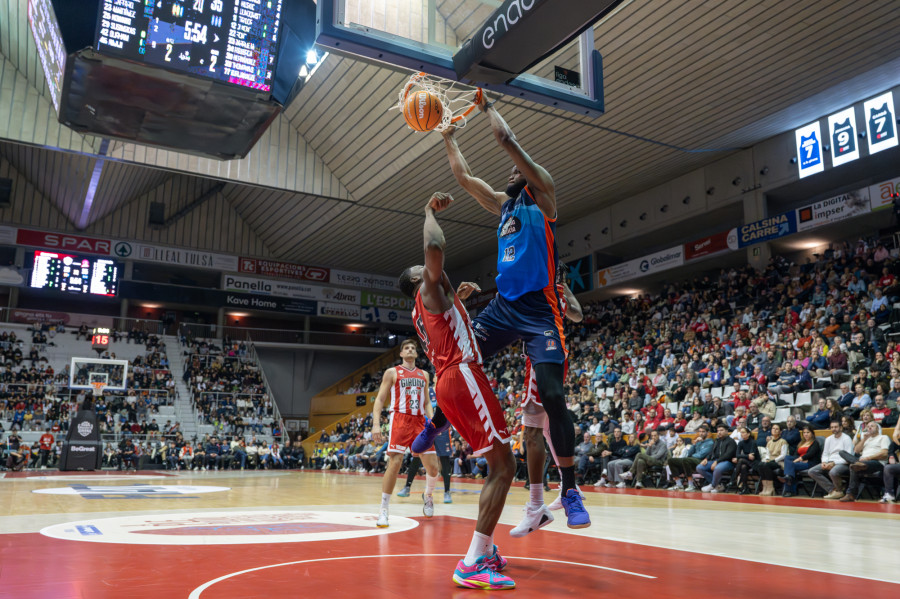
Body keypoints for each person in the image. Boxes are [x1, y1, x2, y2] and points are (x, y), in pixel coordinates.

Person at [433, 94, 586, 525]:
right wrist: (448, 137)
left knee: (554, 396)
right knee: (459, 361)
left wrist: (485, 107)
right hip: (503, 307)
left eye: (518, 168)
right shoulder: (504, 204)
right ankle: (435, 424)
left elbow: (505, 137)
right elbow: (464, 177)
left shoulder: (545, 198)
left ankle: (571, 491)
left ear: (531, 173)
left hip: (539, 311)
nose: (512, 170)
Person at [398, 192, 517, 590]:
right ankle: (471, 562)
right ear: (419, 279)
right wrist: (428, 211)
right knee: (503, 467)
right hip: (462, 375)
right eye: (426, 271)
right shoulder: (426, 289)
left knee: (497, 464)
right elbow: (434, 247)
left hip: (450, 382)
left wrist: (458, 301)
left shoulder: (429, 304)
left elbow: (446, 320)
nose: (434, 271)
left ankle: (482, 552)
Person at [371, 338, 441, 528]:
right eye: (406, 348)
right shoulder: (392, 372)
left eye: (413, 348)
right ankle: (384, 510)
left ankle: (428, 496)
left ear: (416, 354)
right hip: (400, 419)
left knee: (433, 467)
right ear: (401, 354)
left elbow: (427, 402)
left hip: (420, 422)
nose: (410, 350)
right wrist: (376, 424)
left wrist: (433, 421)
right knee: (395, 463)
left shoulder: (424, 375)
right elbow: (380, 399)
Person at [397, 427, 454, 504]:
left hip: (442, 426)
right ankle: (407, 487)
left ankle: (447, 492)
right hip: (427, 425)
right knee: (418, 456)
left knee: (444, 459)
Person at [840, 421, 890, 502]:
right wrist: (864, 439)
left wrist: (868, 458)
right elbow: (856, 451)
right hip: (862, 461)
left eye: (872, 426)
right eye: (868, 426)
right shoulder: (866, 439)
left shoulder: (883, 437)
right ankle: (857, 464)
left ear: (877, 428)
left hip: (877, 462)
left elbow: (884, 453)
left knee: (853, 466)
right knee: (842, 452)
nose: (869, 427)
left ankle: (850, 494)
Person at [808, 419, 854, 499]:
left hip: (843, 463)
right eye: (832, 427)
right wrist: (824, 462)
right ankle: (833, 490)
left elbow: (848, 457)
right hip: (829, 461)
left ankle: (839, 491)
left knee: (833, 472)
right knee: (812, 471)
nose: (834, 429)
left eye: (836, 427)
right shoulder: (828, 439)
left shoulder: (846, 439)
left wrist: (834, 463)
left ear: (841, 428)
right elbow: (825, 453)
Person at [782, 424, 822, 497]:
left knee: (791, 466)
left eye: (808, 432)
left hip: (810, 462)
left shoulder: (815, 443)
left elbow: (810, 454)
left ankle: (789, 490)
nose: (806, 434)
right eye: (804, 432)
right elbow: (795, 455)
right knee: (787, 457)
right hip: (799, 461)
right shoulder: (801, 443)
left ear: (812, 433)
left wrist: (800, 459)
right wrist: (797, 459)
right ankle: (789, 477)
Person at [696, 423, 737, 493]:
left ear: (727, 431)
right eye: (718, 431)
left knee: (717, 468)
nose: (719, 432)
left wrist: (717, 462)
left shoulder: (731, 441)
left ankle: (713, 485)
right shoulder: (717, 440)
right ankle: (718, 485)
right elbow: (712, 452)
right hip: (715, 461)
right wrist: (706, 459)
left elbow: (728, 455)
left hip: (728, 462)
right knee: (699, 467)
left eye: (721, 430)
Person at [753, 423, 788, 496]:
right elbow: (767, 453)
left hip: (779, 461)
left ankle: (770, 488)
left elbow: (783, 455)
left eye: (776, 429)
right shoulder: (769, 442)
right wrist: (767, 459)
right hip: (770, 461)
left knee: (766, 465)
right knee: (760, 465)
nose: (774, 430)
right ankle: (765, 487)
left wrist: (774, 460)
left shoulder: (783, 441)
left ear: (780, 432)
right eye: (773, 428)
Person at [732, 427, 759, 495]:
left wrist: (744, 457)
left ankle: (733, 480)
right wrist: (747, 456)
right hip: (746, 462)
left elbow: (752, 457)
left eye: (743, 432)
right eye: (741, 432)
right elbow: (737, 455)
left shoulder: (753, 442)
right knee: (743, 467)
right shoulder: (741, 443)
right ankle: (745, 488)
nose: (741, 434)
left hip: (755, 463)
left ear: (748, 434)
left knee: (741, 460)